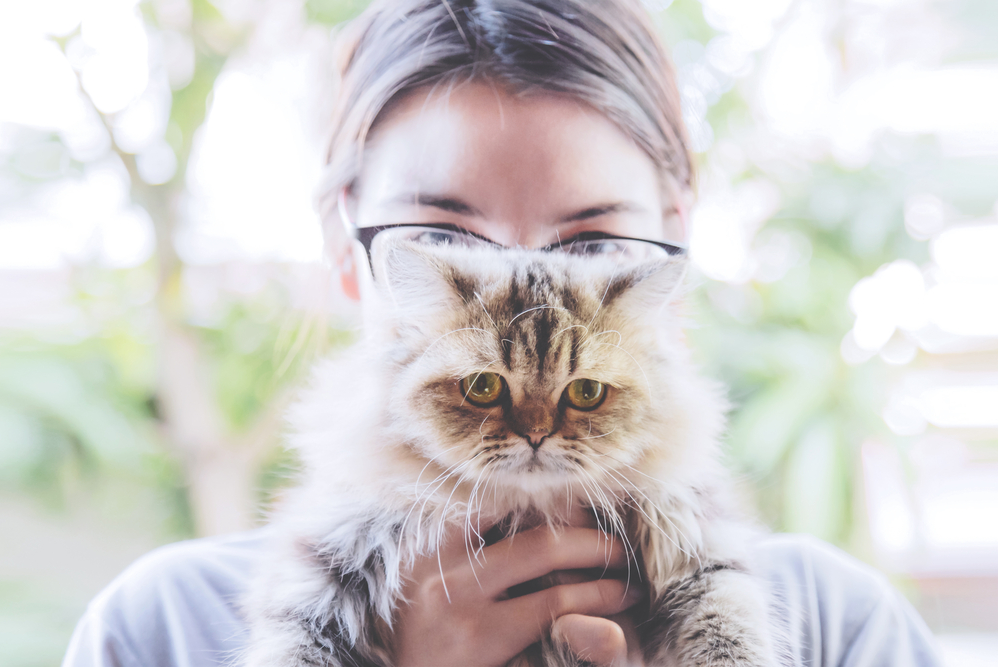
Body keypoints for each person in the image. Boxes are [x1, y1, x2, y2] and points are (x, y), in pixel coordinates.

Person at [62, 1, 943, 665]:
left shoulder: (840, 625)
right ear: (348, 246)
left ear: (673, 252)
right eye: (442, 241)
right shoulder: (155, 628)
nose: (530, 295)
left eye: (594, 243)